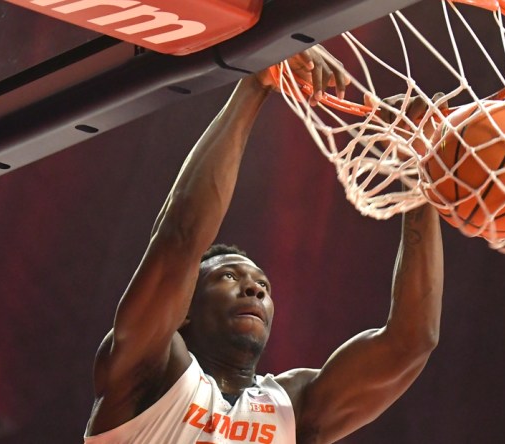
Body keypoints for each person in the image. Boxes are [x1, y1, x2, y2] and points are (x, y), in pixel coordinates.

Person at [83, 46, 444, 444]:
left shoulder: (292, 405)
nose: (254, 288)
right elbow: (179, 240)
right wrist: (255, 83)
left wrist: (420, 173)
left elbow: (411, 342)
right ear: (183, 309)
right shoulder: (146, 371)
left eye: (263, 286)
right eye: (228, 276)